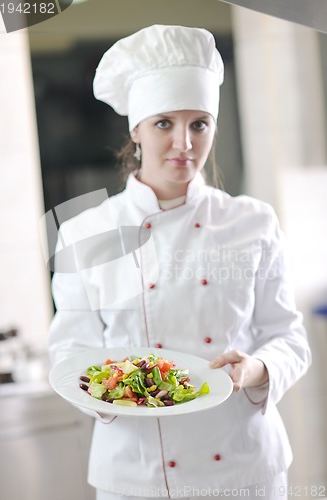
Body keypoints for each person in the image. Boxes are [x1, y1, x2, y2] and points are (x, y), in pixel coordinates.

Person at [48, 25, 311, 500]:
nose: (184, 144)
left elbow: (288, 336)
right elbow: (70, 353)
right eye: (164, 123)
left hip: (243, 467)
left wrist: (257, 369)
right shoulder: (85, 233)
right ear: (136, 129)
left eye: (200, 124)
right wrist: (112, 392)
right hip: (139, 473)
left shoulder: (252, 221)